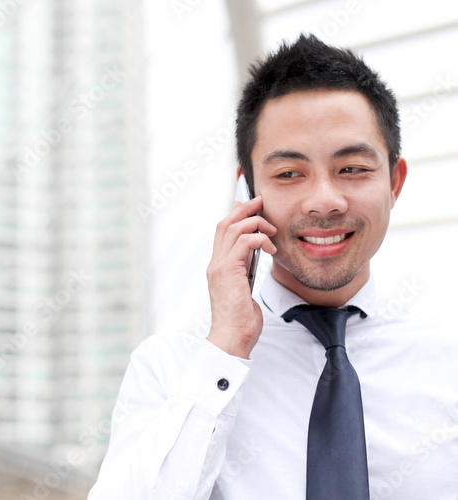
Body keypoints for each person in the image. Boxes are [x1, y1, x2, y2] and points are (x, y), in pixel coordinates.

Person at [87, 34, 458, 500]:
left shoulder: (449, 361)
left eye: (352, 168)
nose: (325, 200)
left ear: (394, 183)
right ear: (247, 193)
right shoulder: (171, 368)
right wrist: (226, 347)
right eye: (288, 173)